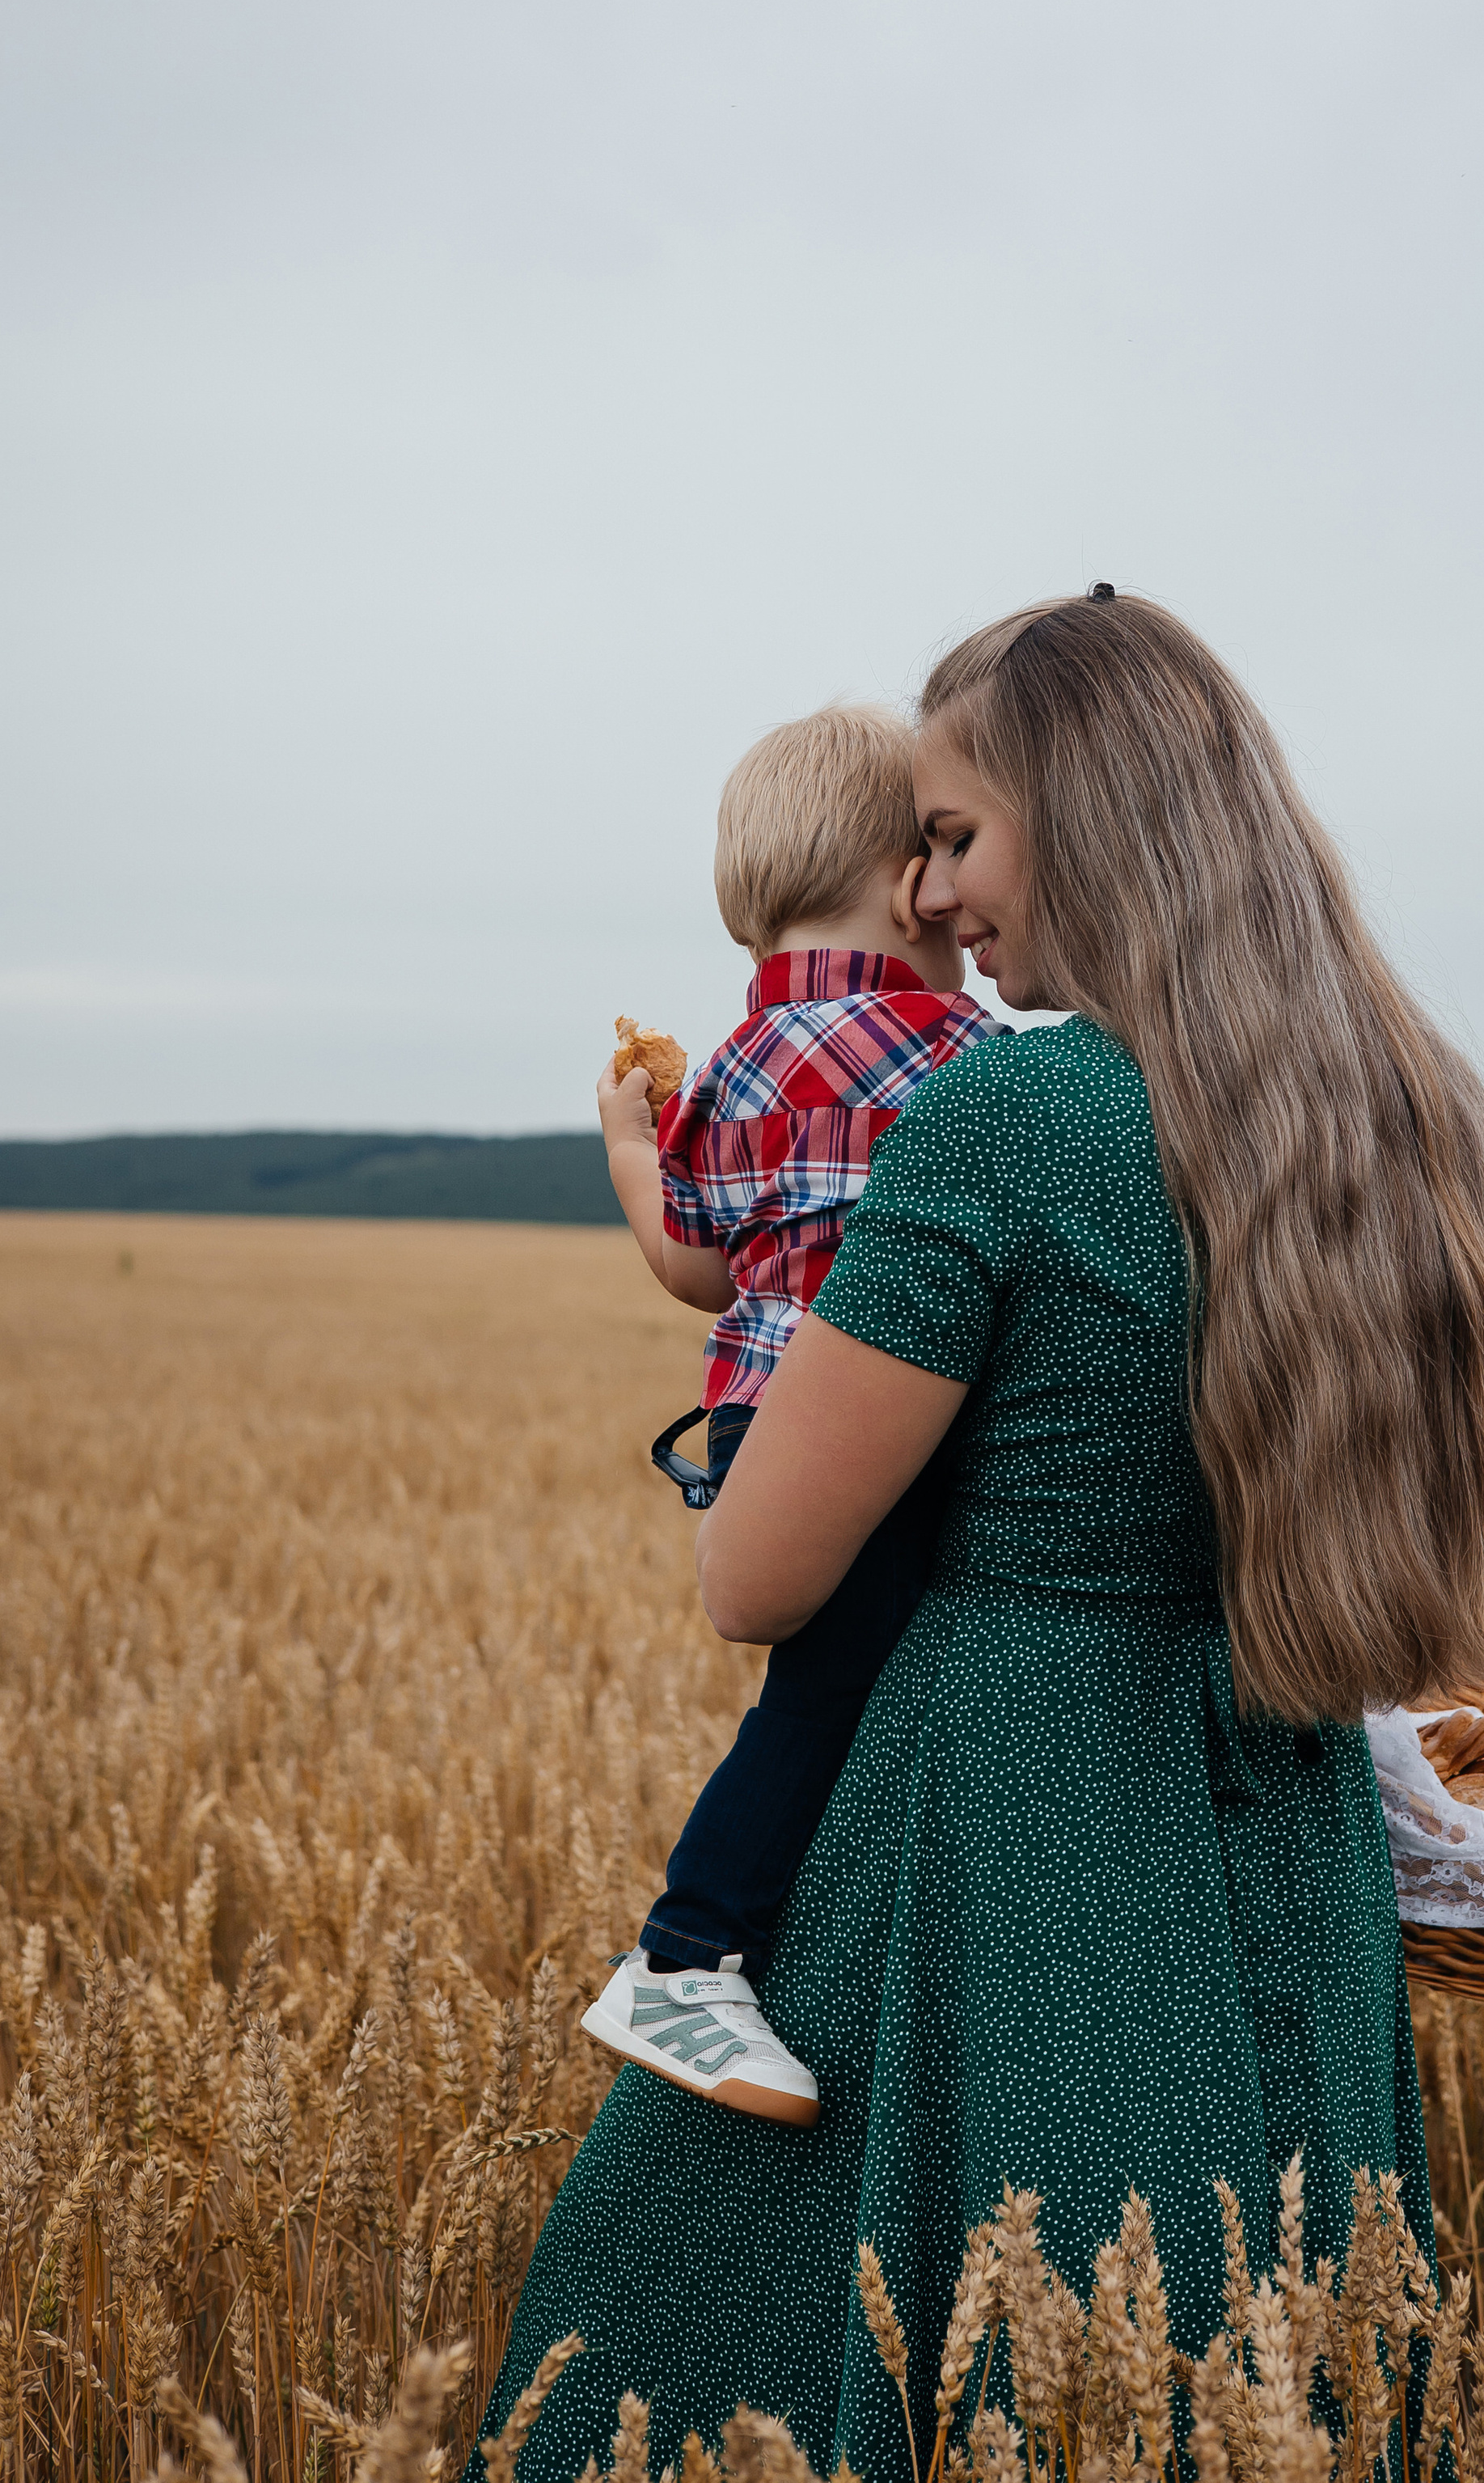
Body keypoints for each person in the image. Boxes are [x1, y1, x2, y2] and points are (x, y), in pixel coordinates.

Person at [471, 586, 1484, 2483]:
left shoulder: (1010, 1118)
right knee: (1248, 2376)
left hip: (993, 1836)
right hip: (1283, 1834)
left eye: (954, 831)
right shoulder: (1421, 1117)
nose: (928, 892)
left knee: (754, 2373)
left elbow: (752, 1579)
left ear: (1084, 820)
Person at [582, 703, 1000, 2123]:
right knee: (831, 1699)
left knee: (834, 1687)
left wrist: (634, 1154)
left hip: (763, 1432)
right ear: (913, 886)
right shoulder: (962, 1058)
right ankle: (686, 1955)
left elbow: (702, 1268)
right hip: (883, 1431)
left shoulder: (731, 1072)